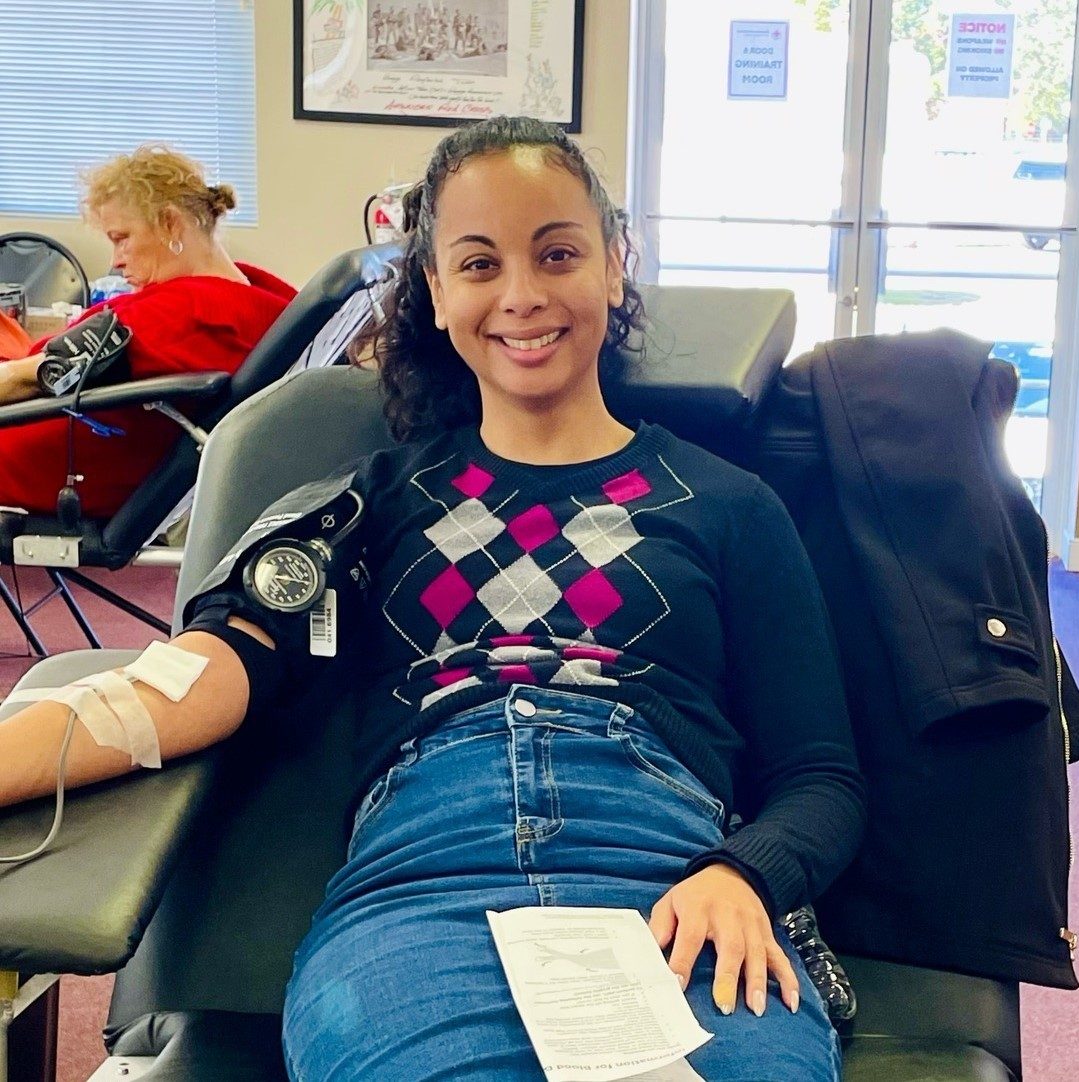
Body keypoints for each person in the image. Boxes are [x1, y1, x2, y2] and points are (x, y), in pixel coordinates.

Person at [0, 117, 864, 1080]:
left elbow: (823, 777)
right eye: (481, 263)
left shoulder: (728, 506)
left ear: (616, 267)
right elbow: (181, 687)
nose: (524, 294)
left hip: (671, 891)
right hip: (422, 891)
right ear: (440, 292)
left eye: (559, 253)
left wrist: (748, 872)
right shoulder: (370, 503)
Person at [0, 145, 296, 518]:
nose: (115, 260)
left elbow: (32, 378)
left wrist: (17, 370)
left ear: (171, 224)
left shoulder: (185, 312)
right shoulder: (259, 292)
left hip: (43, 465)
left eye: (121, 238)